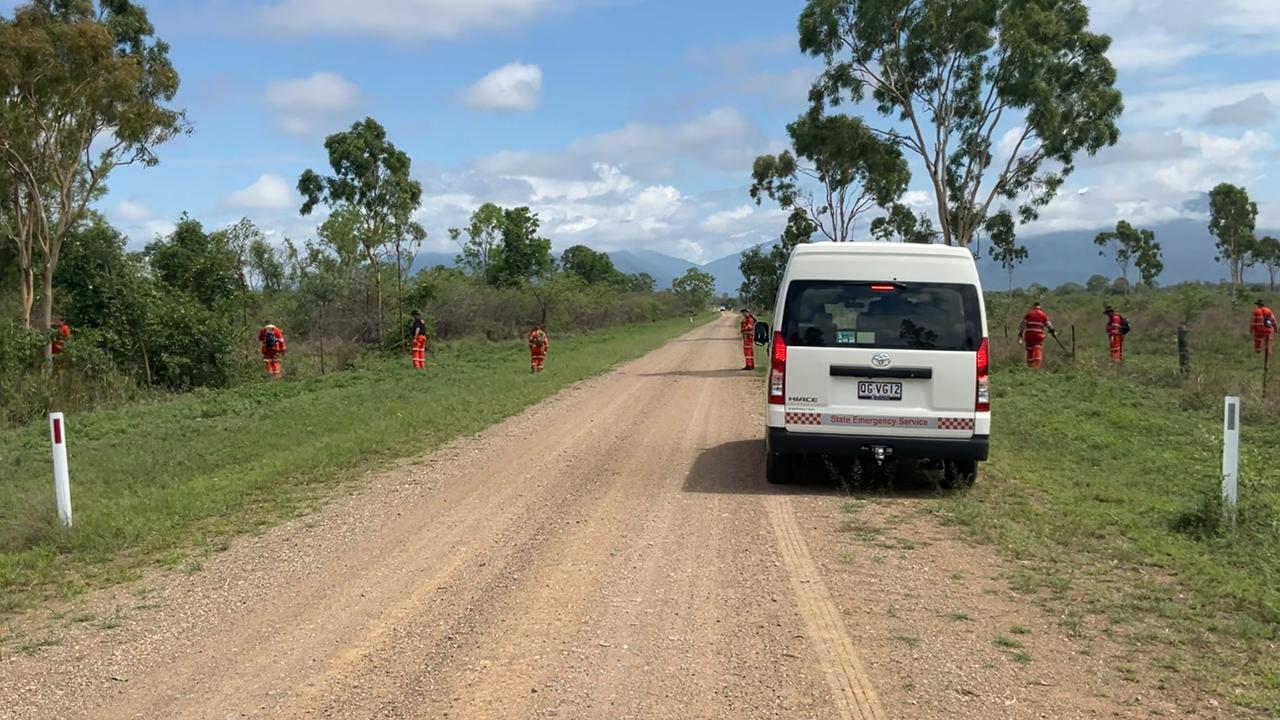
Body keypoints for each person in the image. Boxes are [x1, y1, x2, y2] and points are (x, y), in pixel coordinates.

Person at [1018, 302, 1054, 369]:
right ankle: (1037, 367)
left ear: (1033, 307)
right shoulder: (1043, 315)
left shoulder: (1028, 314)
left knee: (1030, 350)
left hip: (1029, 335)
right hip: (1038, 336)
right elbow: (1049, 325)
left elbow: (1022, 325)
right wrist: (1052, 330)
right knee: (1037, 349)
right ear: (1039, 307)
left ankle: (1030, 366)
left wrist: (1020, 333)